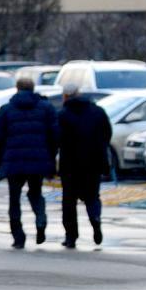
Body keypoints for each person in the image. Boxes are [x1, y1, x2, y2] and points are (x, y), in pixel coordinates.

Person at [0, 74, 60, 249]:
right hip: (38, 160)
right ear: (33, 89)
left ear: (17, 89)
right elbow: (55, 135)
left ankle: (18, 236)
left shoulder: (6, 109)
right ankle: (40, 219)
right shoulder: (46, 108)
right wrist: (51, 157)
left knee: (14, 198)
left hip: (14, 161)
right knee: (35, 193)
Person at [56, 81, 112, 248]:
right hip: (94, 162)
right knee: (92, 197)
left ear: (65, 96)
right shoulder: (97, 112)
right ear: (79, 93)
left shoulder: (63, 115)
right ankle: (95, 219)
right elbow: (107, 134)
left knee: (69, 201)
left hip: (70, 164)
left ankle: (71, 236)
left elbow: (57, 139)